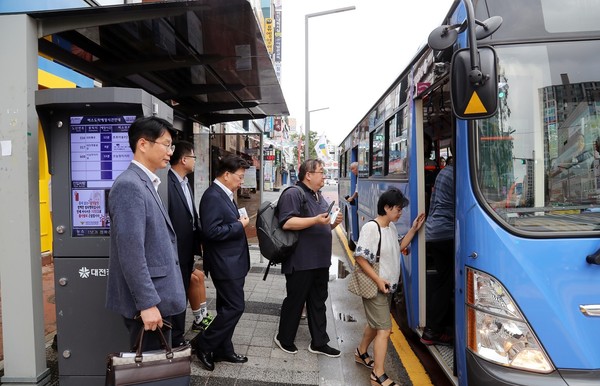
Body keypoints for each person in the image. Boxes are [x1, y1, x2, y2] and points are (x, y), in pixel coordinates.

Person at [106, 116, 186, 351]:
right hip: (150, 304)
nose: (170, 152)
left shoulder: (146, 182)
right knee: (150, 371)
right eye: (166, 144)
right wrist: (147, 304)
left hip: (159, 299)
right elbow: (131, 252)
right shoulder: (129, 185)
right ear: (143, 144)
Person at [354, 189, 425, 386]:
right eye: (398, 208)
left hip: (388, 287)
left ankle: (361, 352)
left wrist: (413, 229)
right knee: (384, 330)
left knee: (375, 324)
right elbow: (360, 257)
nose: (400, 212)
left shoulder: (390, 227)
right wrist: (378, 280)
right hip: (377, 287)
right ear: (386, 207)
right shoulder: (372, 228)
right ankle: (378, 374)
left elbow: (400, 245)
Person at [273, 159, 343, 357]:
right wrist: (316, 220)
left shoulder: (317, 195)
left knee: (318, 301)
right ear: (308, 175)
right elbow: (287, 222)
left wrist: (332, 224)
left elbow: (319, 225)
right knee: (296, 300)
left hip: (320, 260)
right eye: (321, 172)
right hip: (301, 260)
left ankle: (319, 342)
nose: (324, 176)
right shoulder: (294, 193)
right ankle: (284, 338)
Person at [194, 155, 250, 371]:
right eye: (239, 177)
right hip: (224, 263)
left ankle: (223, 348)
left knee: (227, 306)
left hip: (232, 261)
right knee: (236, 307)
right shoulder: (213, 196)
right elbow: (211, 231)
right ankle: (204, 344)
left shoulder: (224, 194)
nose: (241, 181)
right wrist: (240, 226)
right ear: (226, 175)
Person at [167, 140, 204, 346]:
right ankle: (176, 338)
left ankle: (182, 332)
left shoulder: (184, 183)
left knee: (184, 288)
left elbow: (191, 217)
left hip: (187, 250)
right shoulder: (167, 183)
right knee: (177, 292)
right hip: (175, 251)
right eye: (193, 157)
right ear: (183, 159)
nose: (195, 161)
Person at [421, 154, 455, 346]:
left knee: (443, 280)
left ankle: (434, 328)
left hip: (434, 231)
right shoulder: (456, 175)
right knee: (447, 282)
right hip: (446, 233)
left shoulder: (444, 173)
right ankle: (433, 330)